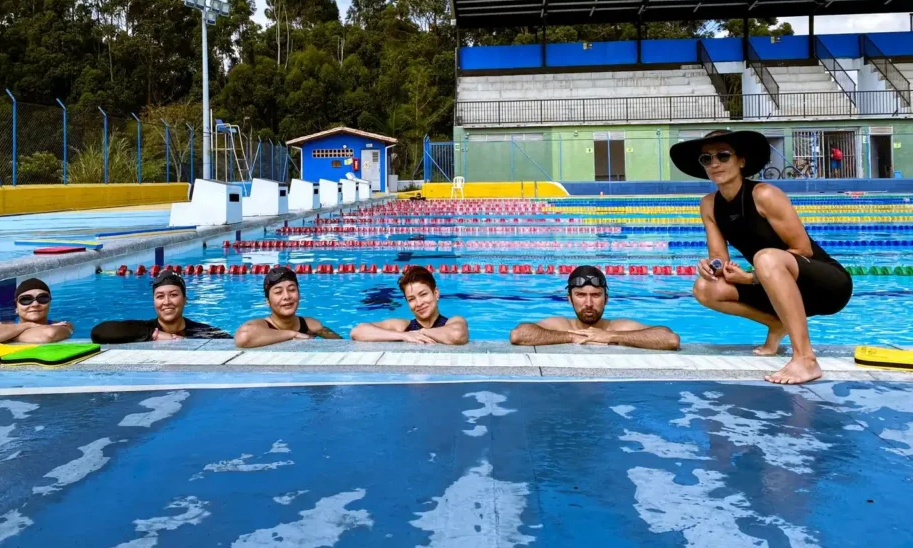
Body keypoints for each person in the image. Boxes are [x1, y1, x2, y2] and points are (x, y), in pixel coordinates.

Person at [671, 129, 853, 385]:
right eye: (707, 159)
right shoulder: (709, 204)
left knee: (765, 257)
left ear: (741, 161)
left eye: (723, 156)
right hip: (773, 284)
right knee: (705, 288)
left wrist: (752, 278)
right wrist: (711, 267)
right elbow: (718, 258)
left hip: (825, 284)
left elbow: (803, 249)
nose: (714, 164)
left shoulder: (764, 195)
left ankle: (806, 359)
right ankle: (775, 324)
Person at [509, 266, 680, 350]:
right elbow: (519, 334)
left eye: (596, 295)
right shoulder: (560, 326)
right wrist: (571, 336)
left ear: (606, 299)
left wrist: (608, 336)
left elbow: (670, 339)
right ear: (569, 299)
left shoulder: (618, 328)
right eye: (581, 295)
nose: (589, 303)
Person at [91, 269, 230, 343]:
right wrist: (153, 335)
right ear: (154, 301)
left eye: (174, 295)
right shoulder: (144, 329)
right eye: (160, 296)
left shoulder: (206, 332)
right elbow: (99, 332)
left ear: (185, 299)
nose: (167, 302)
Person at [350, 265, 469, 345]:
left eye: (423, 294)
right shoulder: (403, 326)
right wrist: (404, 335)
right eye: (411, 299)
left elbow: (457, 335)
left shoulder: (453, 322)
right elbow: (358, 331)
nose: (419, 303)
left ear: (436, 293)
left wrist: (421, 332)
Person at [234, 266, 342, 348]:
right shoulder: (263, 326)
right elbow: (244, 336)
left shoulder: (311, 325)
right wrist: (292, 334)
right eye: (278, 292)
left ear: (299, 295)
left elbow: (343, 344)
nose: (286, 296)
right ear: (267, 301)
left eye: (292, 290)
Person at [0, 278, 74, 345]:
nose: (35, 304)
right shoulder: (1, 324)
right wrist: (28, 325)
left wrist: (1, 336)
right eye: (26, 300)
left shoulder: (64, 325)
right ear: (16, 307)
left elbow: (48, 335)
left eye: (42, 298)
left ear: (49, 303)